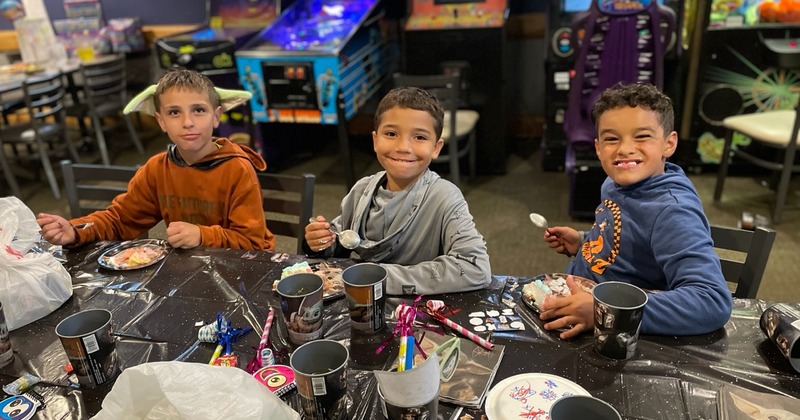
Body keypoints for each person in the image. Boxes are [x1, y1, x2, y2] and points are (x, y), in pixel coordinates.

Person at [541, 83, 732, 338]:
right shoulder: (616, 181)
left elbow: (712, 302)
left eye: (642, 136)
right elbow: (628, 238)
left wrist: (605, 311)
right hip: (579, 302)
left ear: (669, 143)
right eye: (611, 138)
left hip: (611, 331)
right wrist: (585, 241)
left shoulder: (672, 211)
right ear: (598, 147)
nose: (624, 149)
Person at [37, 69, 274, 251]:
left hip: (242, 273)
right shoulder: (157, 169)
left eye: (199, 110)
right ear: (161, 122)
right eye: (174, 112)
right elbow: (120, 220)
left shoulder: (238, 169)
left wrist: (202, 236)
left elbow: (252, 243)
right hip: (190, 272)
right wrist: (75, 231)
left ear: (217, 117)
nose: (187, 122)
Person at [304, 86, 491, 295]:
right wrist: (321, 241)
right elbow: (341, 240)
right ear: (375, 140)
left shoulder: (444, 198)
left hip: (418, 314)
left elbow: (476, 269)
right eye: (391, 134)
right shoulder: (362, 190)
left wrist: (377, 277)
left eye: (419, 137)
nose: (403, 147)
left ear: (436, 148)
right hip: (362, 306)